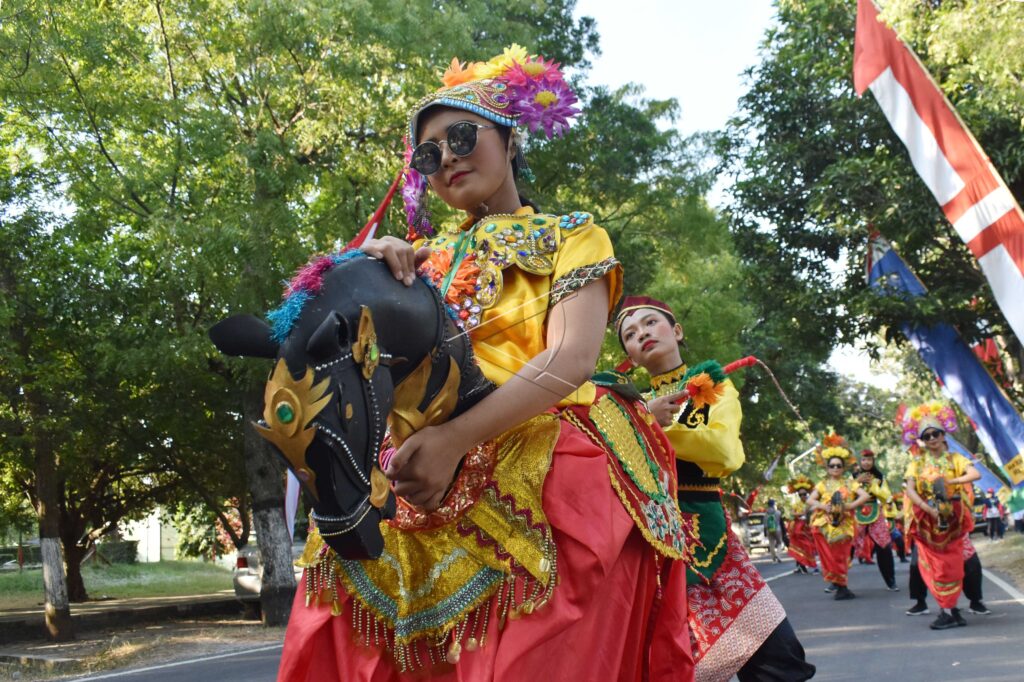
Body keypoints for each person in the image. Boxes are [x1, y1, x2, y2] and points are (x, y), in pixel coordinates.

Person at [276, 46, 694, 681]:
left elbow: (572, 357)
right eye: (427, 154)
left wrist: (455, 439)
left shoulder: (573, 234)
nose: (445, 159)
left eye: (462, 136)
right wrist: (364, 275)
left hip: (535, 442)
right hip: (410, 464)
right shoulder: (416, 258)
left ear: (510, 137)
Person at [619, 296, 815, 682]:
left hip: (707, 533)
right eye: (629, 333)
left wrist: (648, 425)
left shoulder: (708, 385)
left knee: (778, 658)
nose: (641, 333)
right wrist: (639, 413)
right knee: (666, 661)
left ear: (676, 331)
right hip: (647, 543)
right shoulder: (624, 403)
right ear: (629, 356)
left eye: (650, 323)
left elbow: (722, 451)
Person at [899, 401, 981, 630]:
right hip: (927, 523)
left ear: (944, 434)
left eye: (936, 433)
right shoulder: (916, 463)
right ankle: (949, 610)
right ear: (921, 441)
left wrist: (951, 481)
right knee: (931, 567)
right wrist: (928, 509)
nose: (932, 438)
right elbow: (911, 490)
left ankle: (950, 610)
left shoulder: (956, 460)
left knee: (952, 565)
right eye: (926, 436)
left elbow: (974, 474)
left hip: (953, 520)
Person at [806, 435, 871, 601]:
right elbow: (810, 499)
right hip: (824, 525)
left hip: (843, 525)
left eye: (839, 466)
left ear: (843, 468)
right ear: (828, 468)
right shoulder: (822, 484)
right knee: (829, 557)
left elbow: (864, 495)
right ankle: (840, 585)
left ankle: (841, 585)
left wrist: (849, 506)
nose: (835, 468)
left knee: (841, 556)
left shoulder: (849, 483)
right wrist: (823, 506)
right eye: (832, 466)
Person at [852, 449, 899, 590]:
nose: (866, 462)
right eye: (864, 460)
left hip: (875, 511)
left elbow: (886, 495)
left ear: (873, 461)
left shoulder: (879, 477)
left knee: (884, 546)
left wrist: (874, 485)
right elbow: (845, 492)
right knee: (848, 545)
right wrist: (855, 482)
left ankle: (891, 580)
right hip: (856, 511)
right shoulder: (852, 477)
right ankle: (837, 582)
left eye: (869, 460)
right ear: (860, 461)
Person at [786, 476, 818, 574]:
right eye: (800, 495)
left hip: (809, 529)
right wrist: (801, 514)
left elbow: (816, 512)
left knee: (810, 547)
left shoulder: (812, 503)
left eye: (804, 494)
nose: (802, 496)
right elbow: (792, 513)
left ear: (807, 494)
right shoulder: (796, 505)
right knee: (798, 546)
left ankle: (814, 566)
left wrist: (807, 514)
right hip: (799, 530)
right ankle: (801, 565)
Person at [766, 499, 784, 563]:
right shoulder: (778, 512)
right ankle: (778, 556)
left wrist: (765, 531)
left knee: (771, 544)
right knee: (779, 543)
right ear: (774, 505)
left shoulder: (766, 513)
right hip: (777, 529)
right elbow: (781, 522)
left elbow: (765, 523)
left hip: (769, 530)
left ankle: (773, 558)